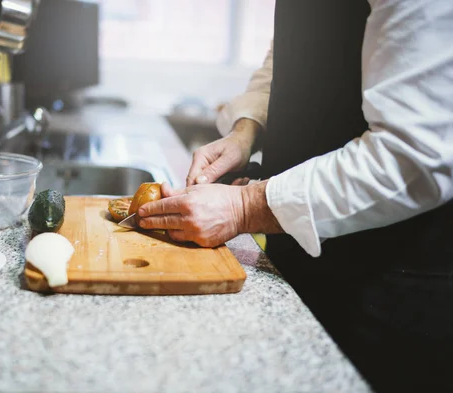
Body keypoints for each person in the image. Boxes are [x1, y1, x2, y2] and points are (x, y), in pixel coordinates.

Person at [138, 1, 453, 392]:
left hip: (393, 287)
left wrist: (245, 205)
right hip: (301, 261)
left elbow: (412, 158)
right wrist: (246, 129)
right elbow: (296, 54)